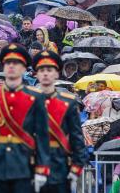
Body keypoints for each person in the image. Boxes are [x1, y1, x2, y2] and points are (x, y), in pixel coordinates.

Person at [0, 43, 50, 193]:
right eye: (8, 63)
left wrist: (42, 168)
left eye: (16, 63)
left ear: (24, 68)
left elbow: (42, 136)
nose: (11, 66)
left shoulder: (35, 97)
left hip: (24, 164)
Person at [33, 51, 86, 193]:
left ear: (57, 74)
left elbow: (77, 138)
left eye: (49, 70)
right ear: (36, 74)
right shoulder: (27, 102)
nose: (45, 74)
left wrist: (76, 168)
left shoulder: (68, 102)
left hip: (60, 164)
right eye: (41, 70)